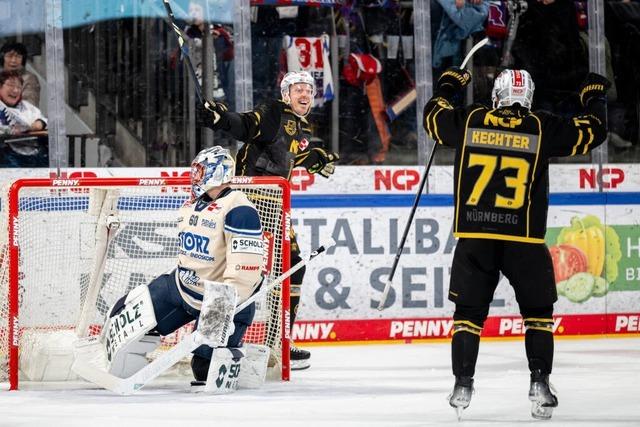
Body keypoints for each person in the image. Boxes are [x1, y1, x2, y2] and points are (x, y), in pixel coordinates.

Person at [422, 67, 609, 419]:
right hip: (523, 237)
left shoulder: (472, 118)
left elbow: (432, 117)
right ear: (529, 97)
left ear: (497, 95)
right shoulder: (541, 125)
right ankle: (539, 381)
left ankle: (463, 382)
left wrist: (449, 85)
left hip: (476, 236)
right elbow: (593, 132)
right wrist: (593, 96)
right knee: (538, 315)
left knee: (468, 316)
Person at [197, 70, 340, 370]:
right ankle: (207, 343)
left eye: (308, 90)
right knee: (235, 275)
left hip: (275, 207)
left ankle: (279, 341)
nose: (304, 94)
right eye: (297, 89)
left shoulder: (298, 128)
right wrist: (221, 119)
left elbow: (280, 153)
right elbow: (249, 125)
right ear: (285, 94)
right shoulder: (274, 111)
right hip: (249, 204)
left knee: (292, 271)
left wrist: (312, 157)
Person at [99, 146, 264, 389]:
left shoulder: (239, 209)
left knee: (203, 370)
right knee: (125, 312)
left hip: (221, 300)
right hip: (181, 287)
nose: (194, 176)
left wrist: (224, 308)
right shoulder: (194, 203)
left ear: (217, 173)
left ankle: (237, 351)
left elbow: (246, 270)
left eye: (200, 171)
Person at [0, 70, 48, 167]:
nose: (15, 90)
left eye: (19, 87)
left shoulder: (27, 106)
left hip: (35, 154)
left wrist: (40, 123)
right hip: (7, 157)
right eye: (11, 85)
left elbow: (44, 119)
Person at [0, 42, 41, 106]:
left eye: (18, 57)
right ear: (2, 58)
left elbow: (29, 105)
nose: (13, 60)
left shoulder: (29, 78)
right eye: (9, 56)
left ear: (23, 60)